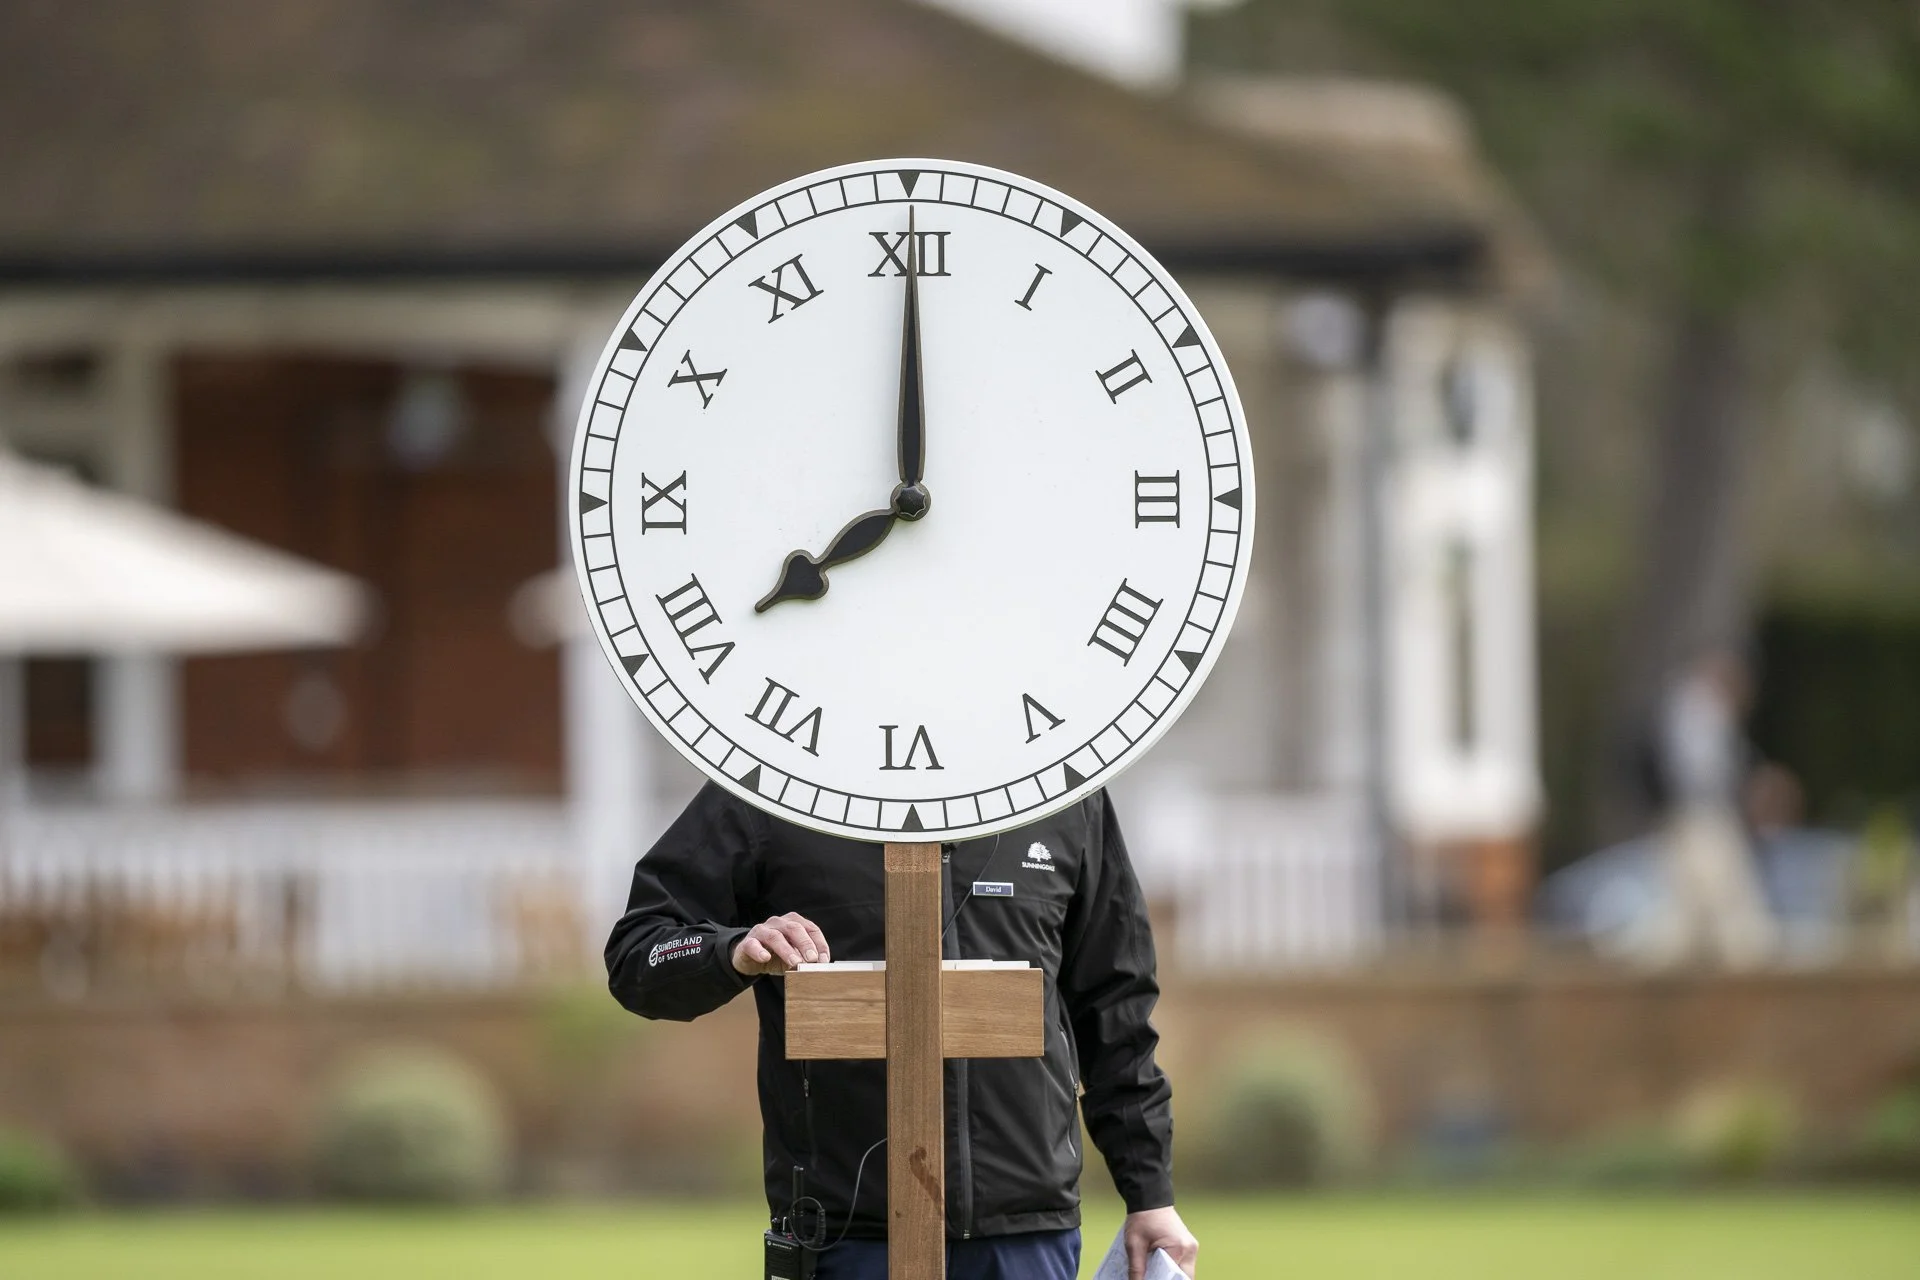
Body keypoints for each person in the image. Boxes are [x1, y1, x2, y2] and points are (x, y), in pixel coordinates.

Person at [607, 783, 1199, 1280]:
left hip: (1025, 1235)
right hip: (844, 1235)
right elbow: (638, 955)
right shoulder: (776, 784)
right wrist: (733, 949)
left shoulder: (1061, 791)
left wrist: (1150, 1193)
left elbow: (1115, 1005)